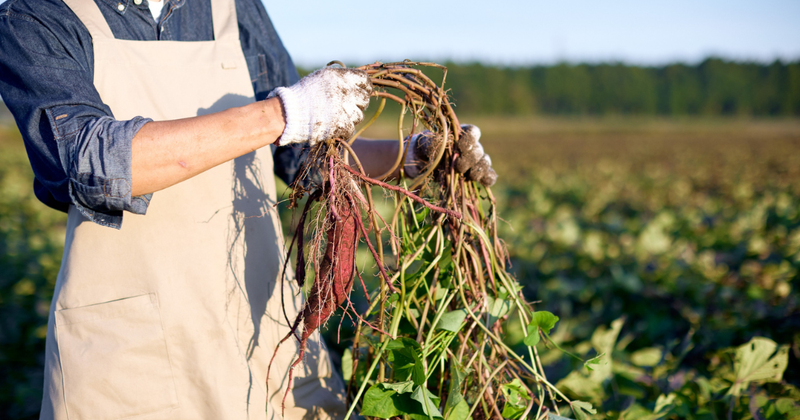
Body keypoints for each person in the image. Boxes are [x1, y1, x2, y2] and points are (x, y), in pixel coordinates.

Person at [0, 0, 496, 419]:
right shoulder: (36, 19)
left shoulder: (229, 7)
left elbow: (302, 153)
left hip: (264, 329)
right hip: (130, 353)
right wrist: (283, 112)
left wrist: (410, 155)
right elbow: (92, 158)